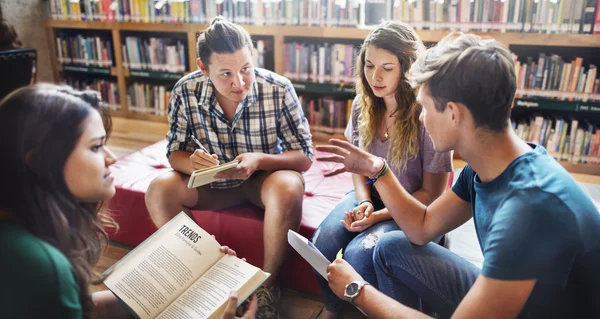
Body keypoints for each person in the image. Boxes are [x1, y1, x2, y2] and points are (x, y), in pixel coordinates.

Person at [318, 32, 600, 318]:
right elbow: (422, 226)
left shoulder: (531, 208)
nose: (419, 117)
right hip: (521, 300)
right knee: (392, 246)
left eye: (425, 107)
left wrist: (357, 289)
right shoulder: (484, 168)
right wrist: (378, 170)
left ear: (453, 113)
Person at [0, 84, 257, 319]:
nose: (111, 158)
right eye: (95, 147)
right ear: (40, 163)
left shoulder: (21, 239)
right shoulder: (41, 268)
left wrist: (176, 286)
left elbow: (83, 307)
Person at [145, 17, 313, 318]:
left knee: (289, 185)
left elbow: (304, 156)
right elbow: (174, 153)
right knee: (159, 189)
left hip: (261, 182)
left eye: (246, 68)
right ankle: (207, 278)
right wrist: (190, 162)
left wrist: (260, 159)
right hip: (212, 186)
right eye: (226, 74)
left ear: (253, 56)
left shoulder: (278, 88)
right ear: (203, 68)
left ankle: (267, 287)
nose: (239, 83)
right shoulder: (185, 91)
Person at [311, 21, 452, 319]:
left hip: (411, 207)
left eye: (387, 67)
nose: (375, 76)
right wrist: (364, 201)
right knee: (320, 241)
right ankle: (334, 306)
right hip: (369, 198)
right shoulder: (363, 106)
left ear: (407, 68)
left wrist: (379, 215)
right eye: (369, 65)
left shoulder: (427, 114)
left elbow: (432, 195)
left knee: (357, 254)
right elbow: (358, 169)